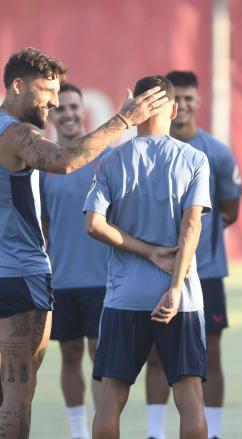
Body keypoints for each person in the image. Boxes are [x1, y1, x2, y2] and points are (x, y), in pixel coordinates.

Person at [0, 47, 166, 438]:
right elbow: (66, 160)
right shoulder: (16, 132)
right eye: (47, 91)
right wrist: (125, 119)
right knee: (15, 394)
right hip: (20, 276)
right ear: (19, 86)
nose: (54, 102)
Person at [84, 75, 210, 439]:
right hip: (180, 296)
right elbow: (191, 228)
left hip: (125, 295)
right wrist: (174, 287)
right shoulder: (194, 158)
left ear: (134, 109)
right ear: (174, 109)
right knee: (189, 397)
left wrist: (146, 251)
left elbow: (94, 225)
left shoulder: (110, 161)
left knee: (111, 398)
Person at [145, 70, 242, 439]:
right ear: (165, 105)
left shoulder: (217, 153)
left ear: (198, 102)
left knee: (209, 352)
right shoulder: (149, 150)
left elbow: (228, 211)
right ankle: (156, 432)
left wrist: (196, 246)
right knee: (155, 352)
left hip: (208, 272)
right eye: (176, 99)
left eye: (189, 98)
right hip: (156, 268)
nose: (182, 105)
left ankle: (213, 431)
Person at [40, 82, 111, 439]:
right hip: (62, 279)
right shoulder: (44, 164)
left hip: (102, 279)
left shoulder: (107, 158)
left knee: (100, 357)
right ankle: (78, 431)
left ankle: (101, 429)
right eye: (61, 108)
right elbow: (44, 224)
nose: (67, 114)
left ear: (83, 112)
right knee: (69, 354)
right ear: (51, 114)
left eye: (73, 108)